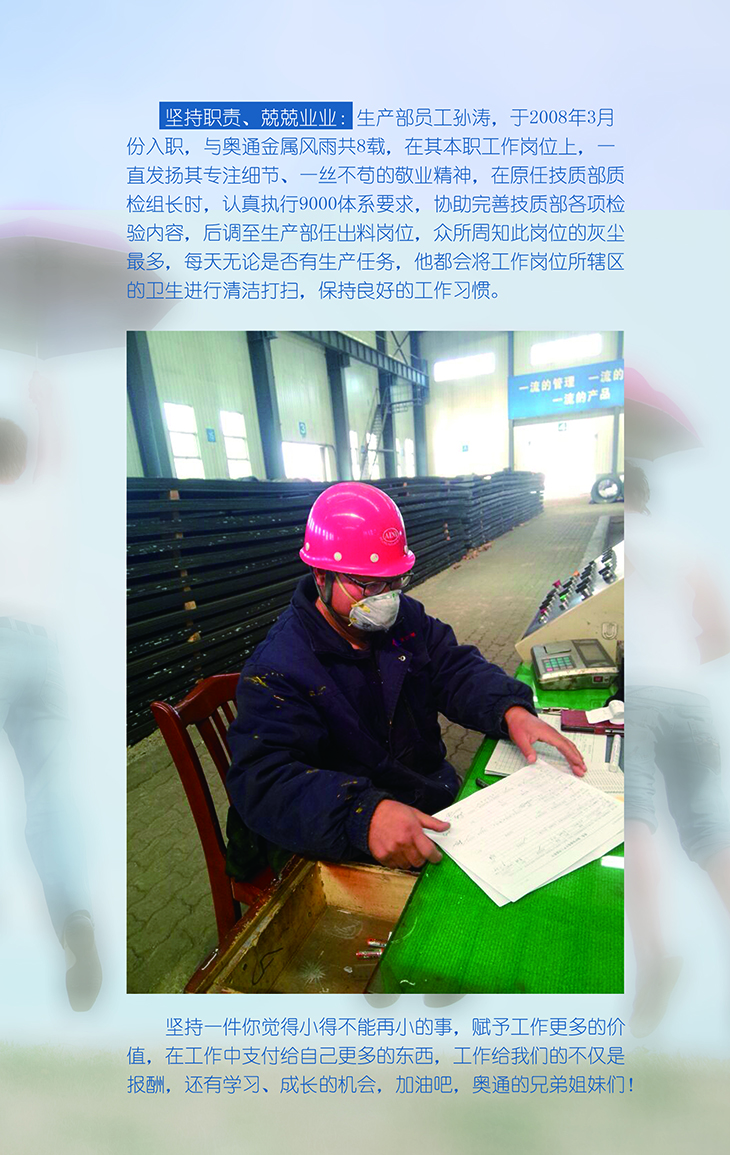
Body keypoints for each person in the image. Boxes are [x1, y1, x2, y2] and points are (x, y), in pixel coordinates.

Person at [226, 482, 585, 873]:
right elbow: (264, 780)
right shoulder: (279, 669)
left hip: (423, 794)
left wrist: (510, 710)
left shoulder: (403, 620)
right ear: (320, 576)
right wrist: (362, 815)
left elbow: (454, 668)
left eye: (395, 580)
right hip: (343, 836)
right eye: (369, 584)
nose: (385, 598)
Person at [0, 361, 101, 1011]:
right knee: (51, 796)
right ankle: (75, 921)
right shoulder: (44, 500)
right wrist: (45, 398)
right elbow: (52, 453)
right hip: (42, 650)